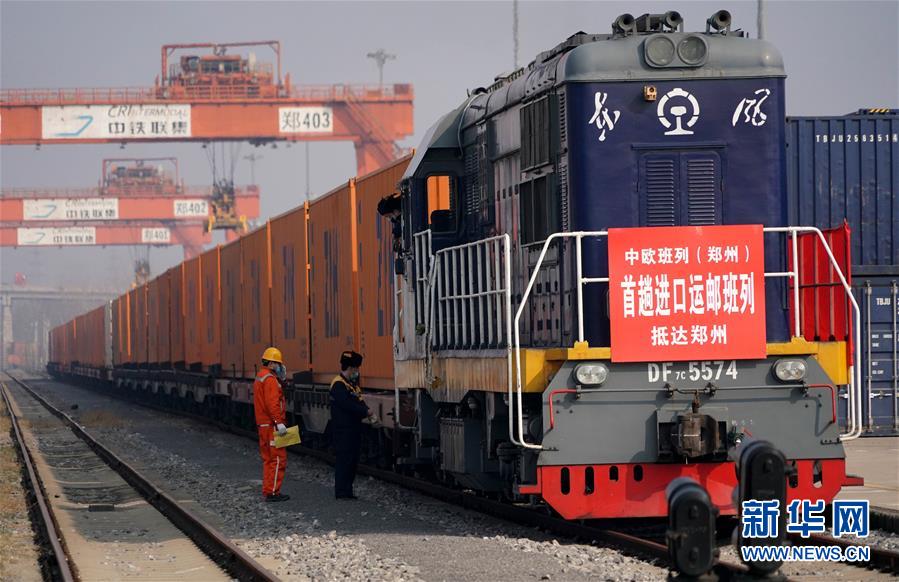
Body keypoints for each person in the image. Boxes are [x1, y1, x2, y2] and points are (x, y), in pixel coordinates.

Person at [329, 350, 372, 499]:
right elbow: (346, 404)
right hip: (343, 430)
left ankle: (347, 491)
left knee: (352, 461)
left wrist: (367, 410)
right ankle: (341, 492)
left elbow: (359, 401)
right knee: (344, 461)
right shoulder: (338, 385)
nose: (358, 371)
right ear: (351, 368)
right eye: (356, 368)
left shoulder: (351, 385)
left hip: (353, 429)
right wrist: (365, 412)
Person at [253, 347, 290, 502]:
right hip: (271, 426)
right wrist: (279, 423)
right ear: (273, 364)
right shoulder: (270, 380)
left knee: (268, 459)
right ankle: (273, 492)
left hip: (263, 425)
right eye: (278, 363)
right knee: (277, 458)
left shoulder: (260, 376)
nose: (280, 367)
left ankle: (268, 489)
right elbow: (272, 404)